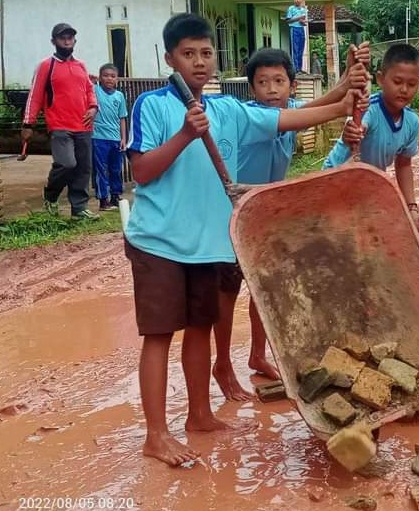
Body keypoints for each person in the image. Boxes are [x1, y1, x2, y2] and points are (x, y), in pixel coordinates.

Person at [124, 12, 359, 466]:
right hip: (158, 243)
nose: (198, 62)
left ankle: (199, 415)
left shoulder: (229, 111)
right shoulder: (152, 105)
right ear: (170, 57)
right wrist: (185, 135)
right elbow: (142, 171)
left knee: (199, 332)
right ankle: (156, 434)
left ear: (216, 59)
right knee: (158, 337)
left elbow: (292, 117)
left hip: (207, 247)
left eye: (206, 53)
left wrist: (345, 101)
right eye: (188, 54)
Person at [211, 45, 370, 400]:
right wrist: (344, 97)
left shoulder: (292, 110)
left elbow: (312, 108)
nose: (271, 89)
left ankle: (257, 354)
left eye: (278, 81)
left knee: (264, 289)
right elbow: (313, 112)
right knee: (227, 292)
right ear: (252, 90)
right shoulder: (251, 116)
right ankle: (221, 364)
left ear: (292, 86)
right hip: (233, 215)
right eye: (263, 82)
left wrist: (348, 78)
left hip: (268, 214)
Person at [324, 43, 419, 233]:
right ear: (380, 79)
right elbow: (360, 125)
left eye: (411, 84)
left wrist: (412, 207)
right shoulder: (367, 107)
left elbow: (403, 165)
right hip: (336, 178)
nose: (404, 89)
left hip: (367, 186)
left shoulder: (412, 122)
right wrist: (354, 131)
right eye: (397, 82)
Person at [22, 23, 99, 220]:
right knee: (66, 164)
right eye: (62, 37)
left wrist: (93, 107)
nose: (67, 40)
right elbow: (35, 95)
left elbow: (89, 90)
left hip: (84, 125)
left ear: (74, 40)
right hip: (60, 125)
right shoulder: (47, 66)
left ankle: (79, 209)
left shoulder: (81, 65)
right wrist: (27, 124)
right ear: (53, 41)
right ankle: (51, 196)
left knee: (83, 168)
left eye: (70, 37)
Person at [92, 63, 128, 211]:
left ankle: (115, 196)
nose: (109, 79)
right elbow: (84, 83)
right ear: (100, 78)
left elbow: (122, 118)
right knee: (101, 169)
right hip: (98, 137)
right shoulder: (95, 91)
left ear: (117, 79)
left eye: (112, 76)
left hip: (116, 138)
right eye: (105, 75)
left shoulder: (120, 96)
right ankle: (103, 200)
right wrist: (91, 80)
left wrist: (123, 138)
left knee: (116, 169)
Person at [284, 0, 308, 73]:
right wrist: (298, 18)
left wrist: (303, 22)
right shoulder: (291, 8)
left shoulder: (303, 10)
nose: (297, 1)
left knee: (301, 49)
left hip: (301, 29)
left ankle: (300, 68)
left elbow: (303, 21)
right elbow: (288, 21)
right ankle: (296, 69)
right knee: (295, 49)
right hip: (294, 29)